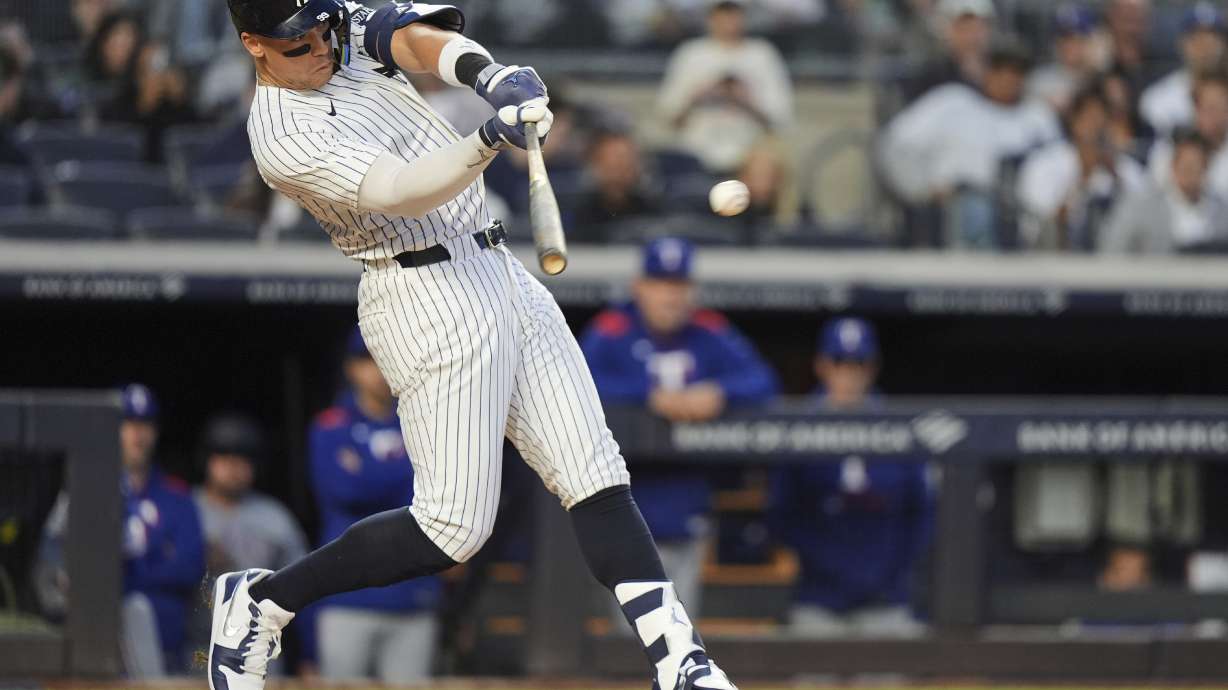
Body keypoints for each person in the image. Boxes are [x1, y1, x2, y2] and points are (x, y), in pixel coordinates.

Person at [209, 2, 739, 690]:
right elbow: (401, 191)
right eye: (296, 43)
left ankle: (682, 664)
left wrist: (489, 76)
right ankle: (263, 601)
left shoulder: (334, 31)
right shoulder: (281, 135)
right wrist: (489, 136)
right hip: (422, 293)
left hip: (494, 265)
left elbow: (412, 39)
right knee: (452, 529)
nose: (318, 48)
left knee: (594, 473)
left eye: (321, 29)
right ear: (253, 44)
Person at [579, 237, 779, 620]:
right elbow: (575, 381)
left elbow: (762, 380)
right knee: (627, 637)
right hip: (621, 507)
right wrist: (648, 396)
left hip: (686, 504)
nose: (671, 296)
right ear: (639, 286)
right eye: (661, 284)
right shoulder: (613, 329)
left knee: (683, 632)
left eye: (679, 285)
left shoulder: (707, 330)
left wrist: (719, 392)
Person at [769, 318, 932, 638]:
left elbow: (922, 511)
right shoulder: (798, 428)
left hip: (886, 597)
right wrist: (821, 565)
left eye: (858, 364)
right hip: (818, 596)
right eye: (839, 363)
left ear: (872, 368)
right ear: (822, 366)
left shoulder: (899, 427)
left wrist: (890, 571)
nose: (849, 374)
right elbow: (781, 513)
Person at [38, 384, 206, 676]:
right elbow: (55, 561)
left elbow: (190, 568)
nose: (138, 434)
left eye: (145, 424)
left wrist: (125, 570)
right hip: (99, 644)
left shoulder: (177, 495)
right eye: (128, 424)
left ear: (156, 432)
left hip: (171, 649)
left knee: (139, 606)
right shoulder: (84, 489)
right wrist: (156, 556)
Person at [307, 327, 440, 684]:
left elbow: (441, 495)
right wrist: (408, 469)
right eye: (368, 360)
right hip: (348, 596)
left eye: (387, 357)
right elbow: (345, 491)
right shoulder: (331, 426)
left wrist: (368, 471)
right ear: (352, 368)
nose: (379, 369)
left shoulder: (425, 420)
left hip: (412, 595)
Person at [880, 40, 1061, 248]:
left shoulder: (1038, 117)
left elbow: (1060, 165)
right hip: (953, 211)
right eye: (1000, 69)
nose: (1007, 78)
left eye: (1016, 72)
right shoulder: (954, 102)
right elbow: (896, 143)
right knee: (975, 207)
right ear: (987, 71)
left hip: (1021, 213)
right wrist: (922, 189)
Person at [656, 0, 793, 173]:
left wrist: (745, 99)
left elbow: (779, 120)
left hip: (747, 157)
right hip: (696, 155)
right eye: (723, 14)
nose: (728, 22)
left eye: (733, 14)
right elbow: (668, 115)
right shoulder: (691, 54)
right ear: (711, 18)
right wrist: (700, 95)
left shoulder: (762, 54)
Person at [1016, 81, 1145, 251]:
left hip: (1113, 257)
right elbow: (1044, 225)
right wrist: (1084, 176)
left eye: (1102, 120)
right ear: (1074, 121)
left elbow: (1141, 217)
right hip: (1055, 255)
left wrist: (1115, 175)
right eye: (1090, 119)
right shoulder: (1044, 164)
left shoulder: (1126, 168)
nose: (1096, 127)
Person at [194, 413, 307, 577]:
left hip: (258, 593)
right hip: (196, 593)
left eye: (243, 459)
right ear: (207, 460)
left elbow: (301, 575)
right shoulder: (184, 507)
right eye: (225, 457)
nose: (234, 467)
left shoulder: (274, 516)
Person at [1101, 127, 1228, 253]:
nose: (1191, 173)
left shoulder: (1221, 211)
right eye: (1186, 166)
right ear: (1173, 165)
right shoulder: (1141, 207)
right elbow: (1114, 249)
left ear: (1206, 167)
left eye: (1197, 166)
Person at [1140, 3, 1226, 137]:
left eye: (1212, 39)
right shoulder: (1158, 98)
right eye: (1197, 39)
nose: (1205, 47)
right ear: (1181, 43)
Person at [571, 128, 664, 243]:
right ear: (595, 165)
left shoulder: (653, 211)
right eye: (611, 161)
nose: (620, 168)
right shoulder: (580, 216)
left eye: (626, 159)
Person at [1148, 73, 1228, 201]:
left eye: (1221, 107)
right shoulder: (1169, 152)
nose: (1214, 114)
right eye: (1209, 107)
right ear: (1196, 109)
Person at [902, 0, 994, 105]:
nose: (971, 37)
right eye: (963, 29)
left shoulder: (1002, 67)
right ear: (947, 31)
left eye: (977, 28)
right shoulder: (931, 76)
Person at [1026, 4, 1099, 112]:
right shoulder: (1039, 81)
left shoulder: (1100, 79)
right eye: (1065, 38)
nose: (1070, 45)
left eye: (1078, 39)